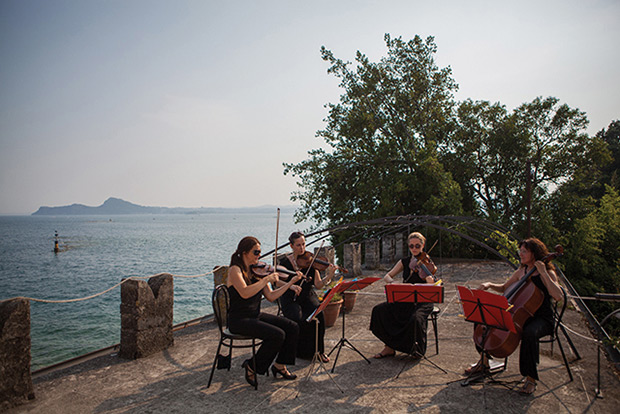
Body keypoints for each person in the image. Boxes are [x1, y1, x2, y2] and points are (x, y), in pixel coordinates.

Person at [464, 237, 563, 395]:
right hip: (519, 316)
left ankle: (531, 378)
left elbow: (558, 296)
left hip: (541, 319)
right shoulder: (521, 271)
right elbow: (504, 288)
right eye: (520, 251)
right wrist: (489, 284)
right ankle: (484, 362)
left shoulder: (548, 272)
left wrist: (543, 273)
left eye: (524, 251)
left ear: (534, 253)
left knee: (529, 333)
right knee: (481, 318)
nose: (521, 254)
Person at [226, 236, 302, 387]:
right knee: (277, 335)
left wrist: (290, 284)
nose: (259, 255)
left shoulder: (257, 271)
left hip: (254, 315)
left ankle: (280, 365)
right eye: (256, 252)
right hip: (239, 320)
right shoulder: (235, 270)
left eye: (259, 252)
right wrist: (266, 280)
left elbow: (271, 296)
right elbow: (245, 292)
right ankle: (252, 366)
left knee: (292, 327)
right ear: (245, 252)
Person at [370, 232, 437, 359]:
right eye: (411, 246)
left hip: (423, 301)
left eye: (417, 246)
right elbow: (387, 276)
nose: (414, 249)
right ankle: (389, 347)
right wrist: (393, 283)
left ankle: (416, 350)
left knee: (415, 319)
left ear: (422, 246)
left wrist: (426, 274)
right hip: (406, 298)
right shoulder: (405, 262)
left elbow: (432, 284)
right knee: (380, 310)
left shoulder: (427, 263)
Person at [278, 231, 336, 362]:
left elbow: (319, 284)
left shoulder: (310, 260)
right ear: (291, 246)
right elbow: (276, 281)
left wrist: (330, 275)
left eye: (303, 244)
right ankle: (300, 351)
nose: (302, 248)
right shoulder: (284, 262)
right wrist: (291, 285)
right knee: (297, 318)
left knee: (318, 314)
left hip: (307, 295)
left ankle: (319, 351)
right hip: (290, 298)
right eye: (298, 245)